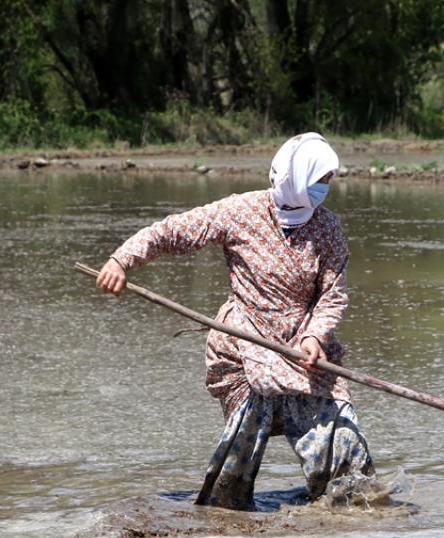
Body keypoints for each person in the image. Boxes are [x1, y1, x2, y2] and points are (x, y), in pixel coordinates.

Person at [95, 132, 376, 511]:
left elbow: (333, 295)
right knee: (242, 444)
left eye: (328, 181)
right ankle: (222, 516)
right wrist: (122, 260)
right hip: (246, 344)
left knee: (341, 435)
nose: (326, 188)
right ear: (294, 176)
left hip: (302, 349)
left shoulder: (327, 228)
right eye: (319, 180)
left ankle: (352, 508)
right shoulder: (241, 212)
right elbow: (173, 231)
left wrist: (314, 336)